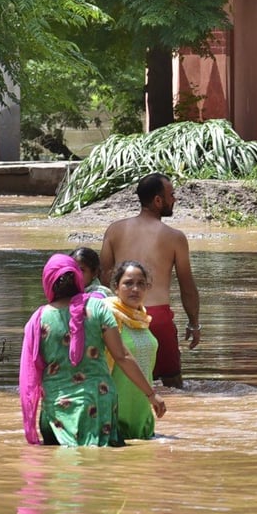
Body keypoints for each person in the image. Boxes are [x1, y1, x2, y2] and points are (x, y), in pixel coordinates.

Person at [19, 253, 165, 447]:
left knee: (60, 471)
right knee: (101, 469)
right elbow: (121, 356)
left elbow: (32, 373)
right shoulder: (98, 309)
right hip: (97, 406)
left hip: (56, 410)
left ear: (48, 281)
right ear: (78, 279)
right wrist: (151, 394)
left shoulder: (38, 319)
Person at [100, 173, 201, 389]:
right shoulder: (174, 237)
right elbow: (187, 286)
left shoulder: (114, 230)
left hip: (120, 316)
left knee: (122, 382)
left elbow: (104, 277)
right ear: (158, 200)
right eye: (171, 195)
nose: (174, 199)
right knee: (173, 385)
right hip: (157, 318)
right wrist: (194, 323)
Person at [105, 260, 160, 440]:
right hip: (115, 404)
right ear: (116, 287)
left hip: (142, 404)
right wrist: (152, 394)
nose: (135, 289)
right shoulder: (108, 315)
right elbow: (122, 357)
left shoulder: (142, 319)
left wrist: (149, 395)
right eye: (128, 283)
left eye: (140, 284)